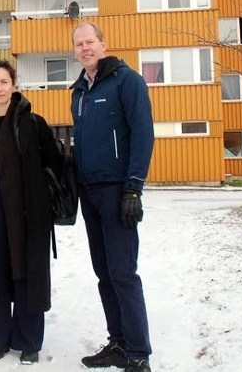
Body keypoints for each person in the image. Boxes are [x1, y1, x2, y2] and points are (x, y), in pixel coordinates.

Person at [0, 60, 63, 365]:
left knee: (27, 272)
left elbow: (54, 165)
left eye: (4, 82)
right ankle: (1, 337)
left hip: (28, 214)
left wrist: (41, 199)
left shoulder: (34, 124)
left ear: (14, 85)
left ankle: (30, 341)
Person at [70, 22, 155, 372]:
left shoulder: (127, 80)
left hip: (118, 191)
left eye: (90, 41)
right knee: (103, 272)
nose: (85, 48)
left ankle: (138, 353)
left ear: (103, 43)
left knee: (123, 272)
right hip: (89, 193)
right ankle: (118, 341)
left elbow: (143, 134)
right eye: (79, 44)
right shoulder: (79, 91)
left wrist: (134, 186)